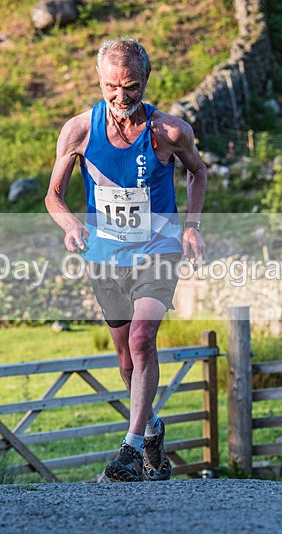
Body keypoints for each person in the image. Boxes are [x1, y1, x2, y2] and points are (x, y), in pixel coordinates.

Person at [45, 38, 207, 482]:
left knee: (141, 339)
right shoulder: (78, 130)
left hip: (158, 249)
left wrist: (191, 225)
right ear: (99, 81)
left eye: (131, 87)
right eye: (111, 87)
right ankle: (151, 427)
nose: (121, 97)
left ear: (146, 81)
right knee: (124, 359)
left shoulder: (171, 131)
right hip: (104, 255)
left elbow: (198, 170)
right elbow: (53, 196)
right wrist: (70, 225)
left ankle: (130, 450)